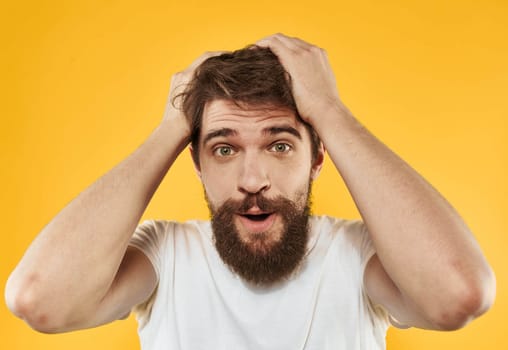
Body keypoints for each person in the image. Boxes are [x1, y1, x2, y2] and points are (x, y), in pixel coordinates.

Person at [5, 34, 496, 349]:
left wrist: (331, 111)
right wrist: (172, 127)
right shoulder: (165, 257)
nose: (252, 180)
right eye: (223, 150)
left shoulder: (359, 256)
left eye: (280, 145)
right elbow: (38, 300)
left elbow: (459, 295)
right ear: (195, 162)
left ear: (318, 157)